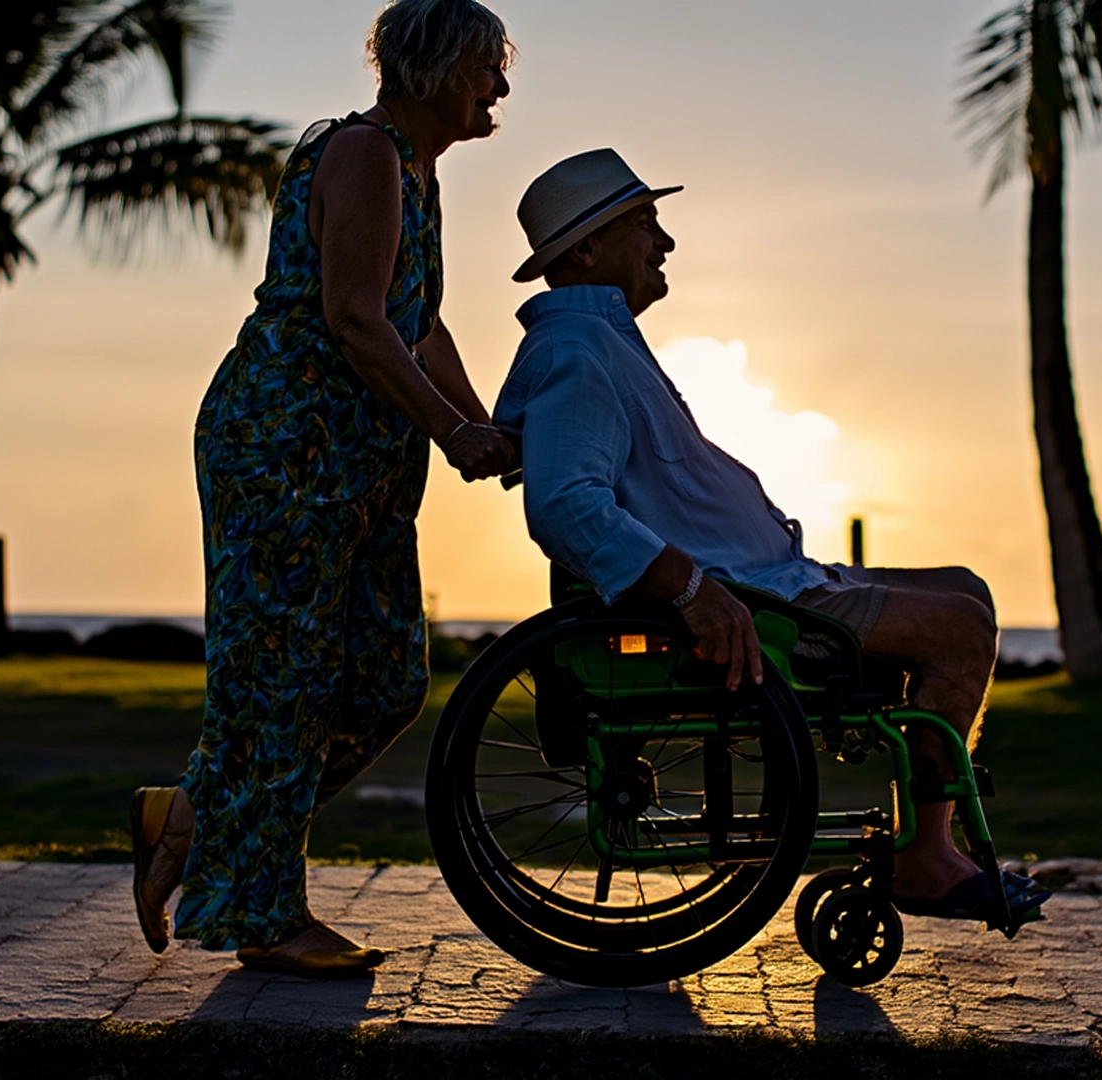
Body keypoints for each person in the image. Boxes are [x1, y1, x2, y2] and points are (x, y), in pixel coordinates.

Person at [493, 149, 1049, 920]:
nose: (666, 242)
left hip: (767, 578)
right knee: (959, 630)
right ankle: (925, 860)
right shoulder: (577, 352)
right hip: (748, 596)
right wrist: (693, 589)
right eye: (646, 222)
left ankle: (932, 841)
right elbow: (564, 506)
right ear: (587, 250)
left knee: (966, 590)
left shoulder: (601, 345)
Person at [130, 0, 519, 978]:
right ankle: (266, 917)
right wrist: (452, 429)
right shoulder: (362, 154)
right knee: (282, 689)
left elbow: (420, 325)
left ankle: (185, 818)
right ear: (434, 68)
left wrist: (490, 428)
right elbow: (353, 318)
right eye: (487, 69)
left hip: (367, 469)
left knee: (385, 680)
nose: (500, 91)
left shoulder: (419, 174)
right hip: (284, 454)